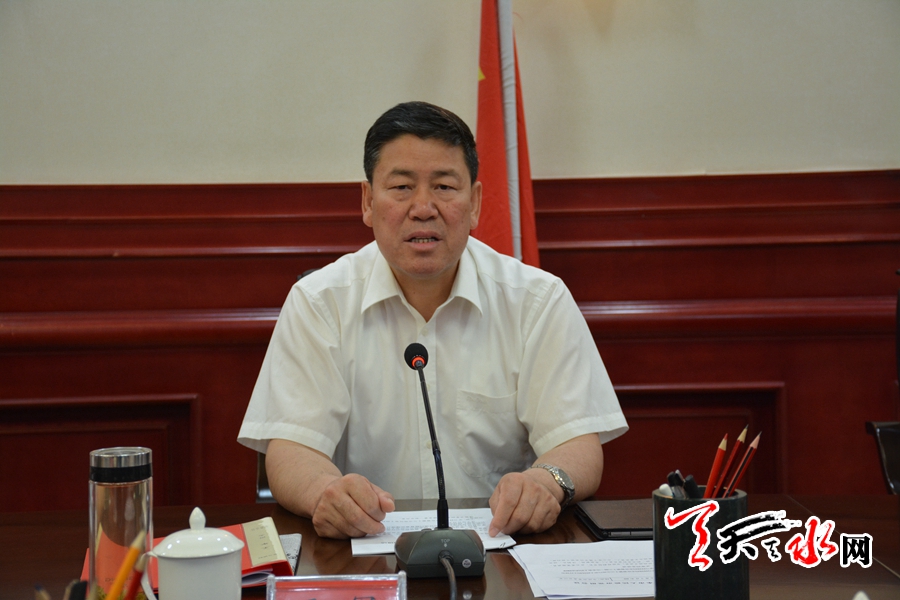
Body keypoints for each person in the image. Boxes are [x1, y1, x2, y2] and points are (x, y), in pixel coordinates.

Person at [238, 101, 627, 539]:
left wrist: (546, 481)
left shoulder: (537, 301)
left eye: (443, 187)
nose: (423, 207)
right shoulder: (319, 303)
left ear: (475, 203)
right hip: (367, 550)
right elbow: (292, 448)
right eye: (401, 187)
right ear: (368, 201)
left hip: (502, 550)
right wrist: (324, 491)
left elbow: (577, 442)